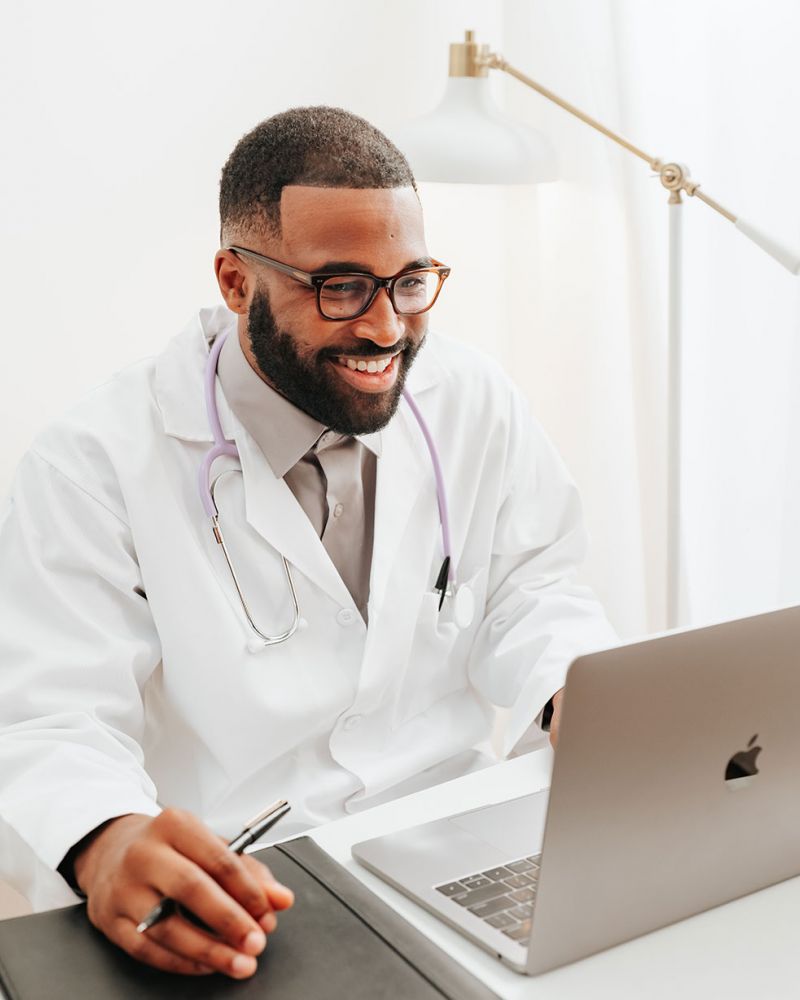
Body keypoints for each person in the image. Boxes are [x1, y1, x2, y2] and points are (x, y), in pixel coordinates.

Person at [0, 106, 617, 979]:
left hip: (454, 839)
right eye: (341, 286)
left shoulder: (470, 397)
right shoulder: (94, 463)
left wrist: (574, 696)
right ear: (235, 280)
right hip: (249, 888)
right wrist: (105, 845)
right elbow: (50, 721)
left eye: (410, 281)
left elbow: (533, 589)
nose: (386, 328)